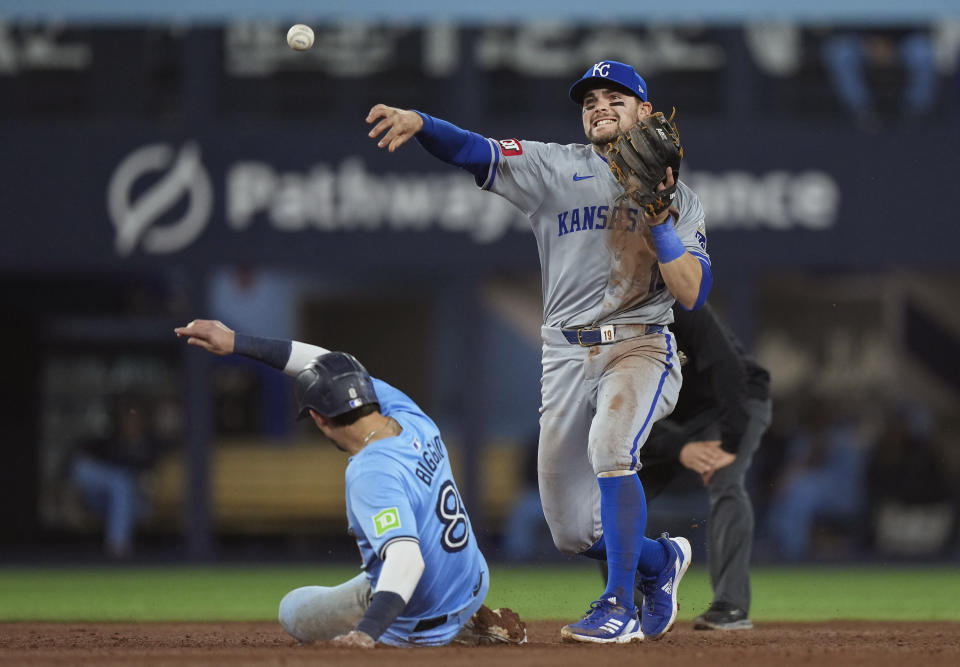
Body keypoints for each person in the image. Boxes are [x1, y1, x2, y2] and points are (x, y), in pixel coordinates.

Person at [366, 59, 713, 643]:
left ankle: (617, 604)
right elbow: (476, 152)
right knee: (570, 530)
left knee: (611, 444)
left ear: (646, 114)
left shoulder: (679, 199)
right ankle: (660, 561)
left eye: (616, 97)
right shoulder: (555, 167)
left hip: (640, 346)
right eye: (590, 100)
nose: (600, 106)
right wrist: (421, 121)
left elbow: (692, 294)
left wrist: (659, 219)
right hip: (563, 357)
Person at [174, 319, 525, 648]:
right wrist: (236, 341)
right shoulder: (409, 415)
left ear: (317, 417)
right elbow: (331, 364)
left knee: (293, 610)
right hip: (472, 580)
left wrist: (366, 633)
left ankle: (460, 632)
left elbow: (406, 561)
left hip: (423, 619)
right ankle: (478, 614)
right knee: (405, 543)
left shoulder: (370, 470)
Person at [634, 303, 771, 630]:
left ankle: (731, 606)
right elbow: (615, 413)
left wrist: (729, 444)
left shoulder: (679, 308)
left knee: (727, 483)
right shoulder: (613, 329)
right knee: (618, 496)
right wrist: (680, 447)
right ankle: (627, 605)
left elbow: (730, 371)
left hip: (733, 406)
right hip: (670, 423)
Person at [67, 396, 163, 558]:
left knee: (122, 484)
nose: (131, 423)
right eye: (127, 418)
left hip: (138, 503)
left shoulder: (150, 446)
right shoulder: (110, 442)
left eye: (135, 418)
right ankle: (117, 546)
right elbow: (81, 464)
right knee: (109, 478)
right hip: (103, 500)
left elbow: (151, 480)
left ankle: (117, 548)